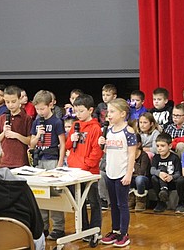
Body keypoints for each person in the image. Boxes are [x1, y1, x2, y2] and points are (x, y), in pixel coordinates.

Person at [98, 98, 136, 247]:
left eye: (112, 111)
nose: (109, 115)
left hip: (122, 173)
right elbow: (108, 150)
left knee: (122, 204)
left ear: (122, 113)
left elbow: (131, 154)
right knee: (112, 204)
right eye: (108, 111)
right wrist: (102, 145)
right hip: (110, 172)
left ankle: (124, 233)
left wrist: (128, 174)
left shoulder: (129, 131)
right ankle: (115, 229)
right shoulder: (108, 130)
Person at [65, 94, 103, 242]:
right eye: (76, 111)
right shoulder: (76, 126)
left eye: (81, 111)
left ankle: (95, 230)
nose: (78, 114)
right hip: (74, 170)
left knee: (93, 201)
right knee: (78, 202)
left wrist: (86, 165)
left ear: (90, 110)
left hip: (89, 171)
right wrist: (71, 139)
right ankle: (83, 229)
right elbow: (68, 146)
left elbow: (97, 151)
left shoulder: (95, 128)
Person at [30, 90, 66, 240]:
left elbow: (63, 144)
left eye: (42, 109)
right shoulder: (36, 122)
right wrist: (38, 135)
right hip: (40, 160)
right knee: (41, 195)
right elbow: (31, 144)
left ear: (50, 105)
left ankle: (58, 227)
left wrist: (59, 164)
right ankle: (43, 226)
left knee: (55, 195)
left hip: (52, 160)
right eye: (37, 109)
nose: (40, 112)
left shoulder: (57, 122)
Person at [0, 85, 32, 168]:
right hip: (4, 161)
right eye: (7, 102)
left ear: (20, 100)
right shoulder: (1, 118)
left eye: (13, 101)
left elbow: (29, 141)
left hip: (20, 161)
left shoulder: (26, 118)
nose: (10, 105)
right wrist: (4, 133)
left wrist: (16, 135)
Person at [150, 133, 181, 212]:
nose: (159, 148)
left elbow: (178, 173)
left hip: (171, 181)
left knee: (163, 168)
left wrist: (171, 177)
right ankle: (160, 202)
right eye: (158, 146)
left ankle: (165, 190)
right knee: (154, 177)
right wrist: (159, 173)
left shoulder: (175, 157)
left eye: (162, 146)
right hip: (160, 183)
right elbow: (152, 170)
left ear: (170, 146)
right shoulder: (156, 157)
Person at [129, 134, 151, 212]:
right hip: (132, 177)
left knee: (139, 179)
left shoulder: (144, 155)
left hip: (144, 179)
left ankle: (141, 200)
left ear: (138, 144)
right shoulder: (127, 155)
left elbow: (142, 172)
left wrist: (133, 163)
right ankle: (130, 198)